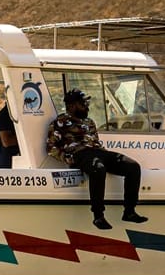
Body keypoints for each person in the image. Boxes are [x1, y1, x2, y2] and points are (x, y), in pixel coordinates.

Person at [46, 88, 147, 231]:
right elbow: (51, 148)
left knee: (133, 166)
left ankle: (129, 211)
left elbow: (95, 142)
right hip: (81, 154)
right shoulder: (60, 122)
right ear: (72, 106)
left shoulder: (90, 122)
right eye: (83, 103)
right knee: (98, 169)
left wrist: (105, 155)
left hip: (98, 152)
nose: (87, 106)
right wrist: (69, 158)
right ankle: (98, 216)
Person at [0, 101, 18, 169]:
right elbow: (6, 141)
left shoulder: (18, 114)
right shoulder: (5, 115)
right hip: (9, 163)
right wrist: (28, 138)